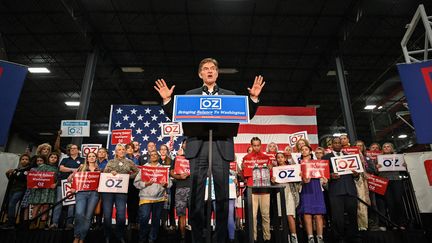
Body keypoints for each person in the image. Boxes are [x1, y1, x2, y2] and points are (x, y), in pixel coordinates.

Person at [154, 57, 264, 243]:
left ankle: (220, 238)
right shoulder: (190, 95)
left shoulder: (230, 95)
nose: (210, 71)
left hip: (221, 147)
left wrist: (253, 98)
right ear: (200, 74)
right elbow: (176, 114)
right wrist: (167, 100)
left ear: (217, 73)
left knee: (221, 198)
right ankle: (197, 238)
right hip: (198, 147)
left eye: (213, 68)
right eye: (206, 69)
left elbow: (247, 114)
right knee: (196, 198)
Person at [322, 137, 360, 243]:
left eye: (339, 143)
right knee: (337, 217)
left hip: (350, 189)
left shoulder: (350, 157)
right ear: (331, 145)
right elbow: (324, 174)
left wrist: (356, 174)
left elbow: (356, 176)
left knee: (352, 215)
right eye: (335, 143)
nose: (338, 144)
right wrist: (330, 175)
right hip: (336, 191)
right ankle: (339, 237)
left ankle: (354, 236)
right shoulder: (326, 157)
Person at [103, 144, 139, 243]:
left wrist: (128, 177)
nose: (122, 151)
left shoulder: (129, 162)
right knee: (107, 214)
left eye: (123, 149)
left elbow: (137, 172)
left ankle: (120, 235)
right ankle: (107, 235)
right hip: (108, 191)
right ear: (116, 151)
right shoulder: (110, 162)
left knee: (121, 215)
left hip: (122, 191)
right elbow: (104, 173)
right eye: (119, 149)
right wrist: (111, 173)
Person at [240, 137, 272, 243]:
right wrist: (243, 169)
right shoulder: (246, 158)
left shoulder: (266, 158)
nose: (256, 147)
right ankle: (253, 238)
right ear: (251, 145)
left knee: (265, 215)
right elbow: (244, 176)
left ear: (261, 145)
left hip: (265, 190)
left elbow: (270, 174)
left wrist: (271, 171)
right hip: (252, 190)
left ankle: (267, 238)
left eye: (258, 145)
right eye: (254, 145)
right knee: (253, 216)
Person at [135, 150, 170, 243]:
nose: (154, 156)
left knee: (156, 220)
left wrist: (165, 184)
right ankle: (142, 238)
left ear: (158, 157)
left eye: (155, 155)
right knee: (144, 218)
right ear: (149, 157)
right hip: (145, 197)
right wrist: (145, 184)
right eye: (152, 155)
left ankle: (152, 239)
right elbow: (136, 183)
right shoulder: (144, 168)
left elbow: (169, 184)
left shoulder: (163, 169)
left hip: (159, 198)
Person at [51, 144, 84, 230]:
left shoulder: (82, 160)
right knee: (58, 202)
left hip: (75, 184)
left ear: (78, 150)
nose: (72, 149)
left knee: (72, 203)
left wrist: (71, 172)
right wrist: (73, 170)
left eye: (74, 148)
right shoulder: (65, 159)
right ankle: (55, 223)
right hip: (62, 183)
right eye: (70, 148)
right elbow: (61, 168)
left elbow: (82, 169)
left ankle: (69, 224)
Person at [298, 145, 327, 243]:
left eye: (306, 149)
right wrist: (301, 179)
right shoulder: (299, 164)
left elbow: (324, 176)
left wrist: (324, 179)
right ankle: (310, 237)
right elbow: (297, 179)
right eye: (302, 149)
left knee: (318, 213)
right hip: (305, 189)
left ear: (310, 152)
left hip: (316, 188)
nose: (304, 151)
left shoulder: (317, 163)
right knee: (307, 213)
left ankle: (320, 237)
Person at [69, 152, 100, 243]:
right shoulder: (81, 167)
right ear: (87, 158)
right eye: (89, 156)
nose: (91, 158)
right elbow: (71, 179)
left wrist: (99, 187)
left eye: (93, 156)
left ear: (96, 158)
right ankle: (77, 235)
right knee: (79, 213)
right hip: (81, 193)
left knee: (88, 216)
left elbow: (101, 182)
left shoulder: (99, 170)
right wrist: (73, 186)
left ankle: (82, 238)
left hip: (94, 194)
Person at [376, 142, 408, 230]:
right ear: (382, 149)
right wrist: (376, 167)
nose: (386, 148)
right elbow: (375, 171)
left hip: (396, 181)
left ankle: (402, 223)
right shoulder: (378, 158)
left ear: (392, 148)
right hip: (384, 182)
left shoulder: (398, 157)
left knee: (398, 201)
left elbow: (404, 170)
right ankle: (394, 224)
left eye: (388, 147)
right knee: (390, 203)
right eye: (384, 147)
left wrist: (404, 166)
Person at [271, 152, 300, 243]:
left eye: (281, 157)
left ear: (285, 158)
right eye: (278, 157)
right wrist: (272, 181)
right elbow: (272, 183)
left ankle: (294, 236)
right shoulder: (274, 169)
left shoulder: (292, 167)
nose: (280, 159)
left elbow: (298, 182)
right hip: (279, 192)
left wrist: (299, 176)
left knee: (290, 214)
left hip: (290, 192)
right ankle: (286, 236)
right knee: (282, 215)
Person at [28, 153, 59, 229]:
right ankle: (32, 223)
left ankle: (42, 224)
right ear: (48, 158)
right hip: (40, 189)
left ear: (57, 159)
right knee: (37, 205)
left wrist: (56, 184)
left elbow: (58, 179)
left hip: (49, 190)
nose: (53, 159)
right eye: (52, 157)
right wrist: (34, 184)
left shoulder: (57, 169)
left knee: (46, 206)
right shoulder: (43, 166)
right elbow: (34, 176)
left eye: (55, 157)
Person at [2, 154, 31, 229]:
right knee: (9, 204)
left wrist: (14, 172)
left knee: (12, 203)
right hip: (13, 189)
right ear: (20, 160)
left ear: (29, 161)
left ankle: (11, 222)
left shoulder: (28, 170)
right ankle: (8, 221)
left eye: (26, 159)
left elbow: (21, 177)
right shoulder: (17, 169)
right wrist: (7, 174)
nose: (24, 160)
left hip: (20, 189)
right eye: (23, 159)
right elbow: (12, 179)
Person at [169, 140, 190, 242]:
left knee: (195, 213)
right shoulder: (177, 158)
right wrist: (179, 176)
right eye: (185, 143)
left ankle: (195, 236)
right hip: (180, 188)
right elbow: (171, 172)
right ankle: (182, 236)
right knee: (181, 213)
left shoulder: (196, 158)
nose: (186, 144)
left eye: (188, 142)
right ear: (182, 145)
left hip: (193, 188)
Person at [159, 144, 176, 231]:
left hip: (169, 186)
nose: (163, 151)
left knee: (169, 205)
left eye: (165, 149)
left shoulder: (171, 160)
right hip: (158, 187)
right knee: (160, 205)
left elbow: (173, 173)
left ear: (167, 151)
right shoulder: (156, 160)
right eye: (161, 149)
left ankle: (172, 224)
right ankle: (162, 224)